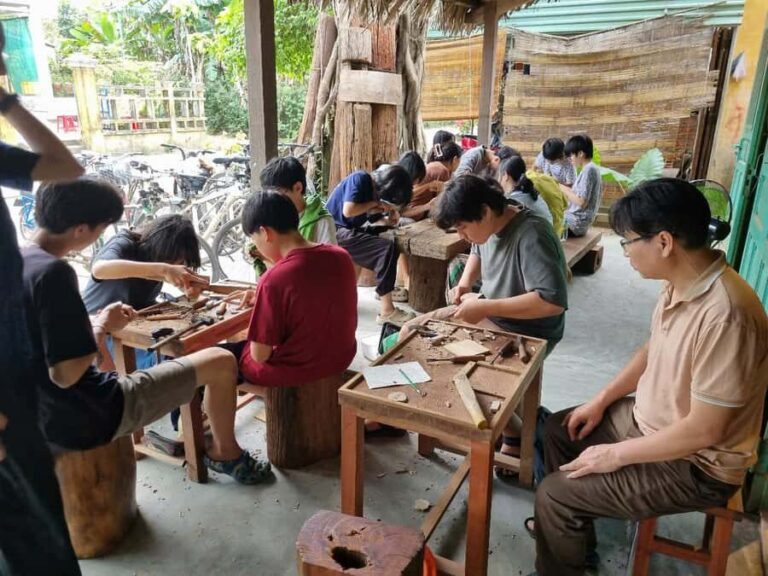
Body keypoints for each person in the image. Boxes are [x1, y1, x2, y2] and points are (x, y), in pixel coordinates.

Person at [530, 178, 768, 576]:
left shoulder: (728, 316)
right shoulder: (680, 281)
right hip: (649, 421)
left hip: (698, 464)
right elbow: (651, 349)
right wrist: (601, 399)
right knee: (561, 428)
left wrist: (615, 454)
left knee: (554, 494)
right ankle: (573, 539)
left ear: (663, 242)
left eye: (627, 241)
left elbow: (704, 432)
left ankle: (562, 530)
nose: (624, 252)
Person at [22, 178, 271, 484]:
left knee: (199, 353)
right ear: (81, 229)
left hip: (45, 409)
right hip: (89, 409)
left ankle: (195, 426)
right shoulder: (57, 272)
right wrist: (101, 326)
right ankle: (223, 452)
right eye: (101, 228)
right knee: (221, 361)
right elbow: (66, 374)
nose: (100, 236)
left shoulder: (18, 261)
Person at [401, 175, 568, 465]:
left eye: (463, 228)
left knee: (461, 372)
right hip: (489, 311)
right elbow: (478, 249)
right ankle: (453, 419)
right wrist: (465, 284)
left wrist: (486, 308)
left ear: (486, 212)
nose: (462, 236)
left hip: (528, 329)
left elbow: (551, 303)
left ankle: (514, 432)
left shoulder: (532, 235)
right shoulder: (491, 222)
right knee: (410, 330)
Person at [0, 20, 84, 575]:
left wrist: (8, 104)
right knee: (35, 539)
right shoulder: (55, 275)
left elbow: (65, 166)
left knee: (37, 527)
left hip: (16, 364)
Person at [223, 191, 357, 389]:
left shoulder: (274, 279)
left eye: (255, 240)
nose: (257, 248)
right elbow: (313, 298)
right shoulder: (341, 256)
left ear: (265, 232)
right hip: (341, 358)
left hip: (298, 371)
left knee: (218, 360)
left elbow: (260, 356)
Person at [82, 215, 208, 370]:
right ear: (158, 247)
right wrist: (163, 269)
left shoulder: (162, 262)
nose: (175, 265)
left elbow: (173, 279)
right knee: (170, 363)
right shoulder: (125, 243)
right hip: (101, 329)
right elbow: (99, 269)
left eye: (180, 262)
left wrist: (188, 289)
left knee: (195, 344)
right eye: (170, 261)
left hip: (136, 322)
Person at [325, 166, 416, 325]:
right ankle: (387, 311)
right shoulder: (360, 178)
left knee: (390, 237)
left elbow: (375, 220)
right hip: (335, 231)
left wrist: (389, 221)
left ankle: (384, 290)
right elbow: (349, 211)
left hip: (349, 230)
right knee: (386, 248)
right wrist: (378, 204)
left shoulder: (373, 193)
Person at [260, 156, 337, 244]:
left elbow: (329, 256)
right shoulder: (274, 215)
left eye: (277, 195)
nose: (273, 201)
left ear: (298, 188)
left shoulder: (321, 220)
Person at [402, 142, 462, 221]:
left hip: (411, 211)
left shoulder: (434, 165)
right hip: (413, 214)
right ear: (455, 159)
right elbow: (440, 204)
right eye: (460, 160)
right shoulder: (443, 170)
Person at [562, 134, 602, 237]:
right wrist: (562, 187)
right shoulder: (590, 168)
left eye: (571, 155)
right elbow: (578, 195)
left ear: (580, 153)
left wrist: (563, 189)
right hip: (578, 221)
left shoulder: (589, 169)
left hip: (576, 223)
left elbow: (581, 202)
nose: (570, 159)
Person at [498, 156, 553, 224]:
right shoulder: (526, 191)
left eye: (499, 175)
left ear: (505, 176)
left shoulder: (513, 199)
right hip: (552, 231)